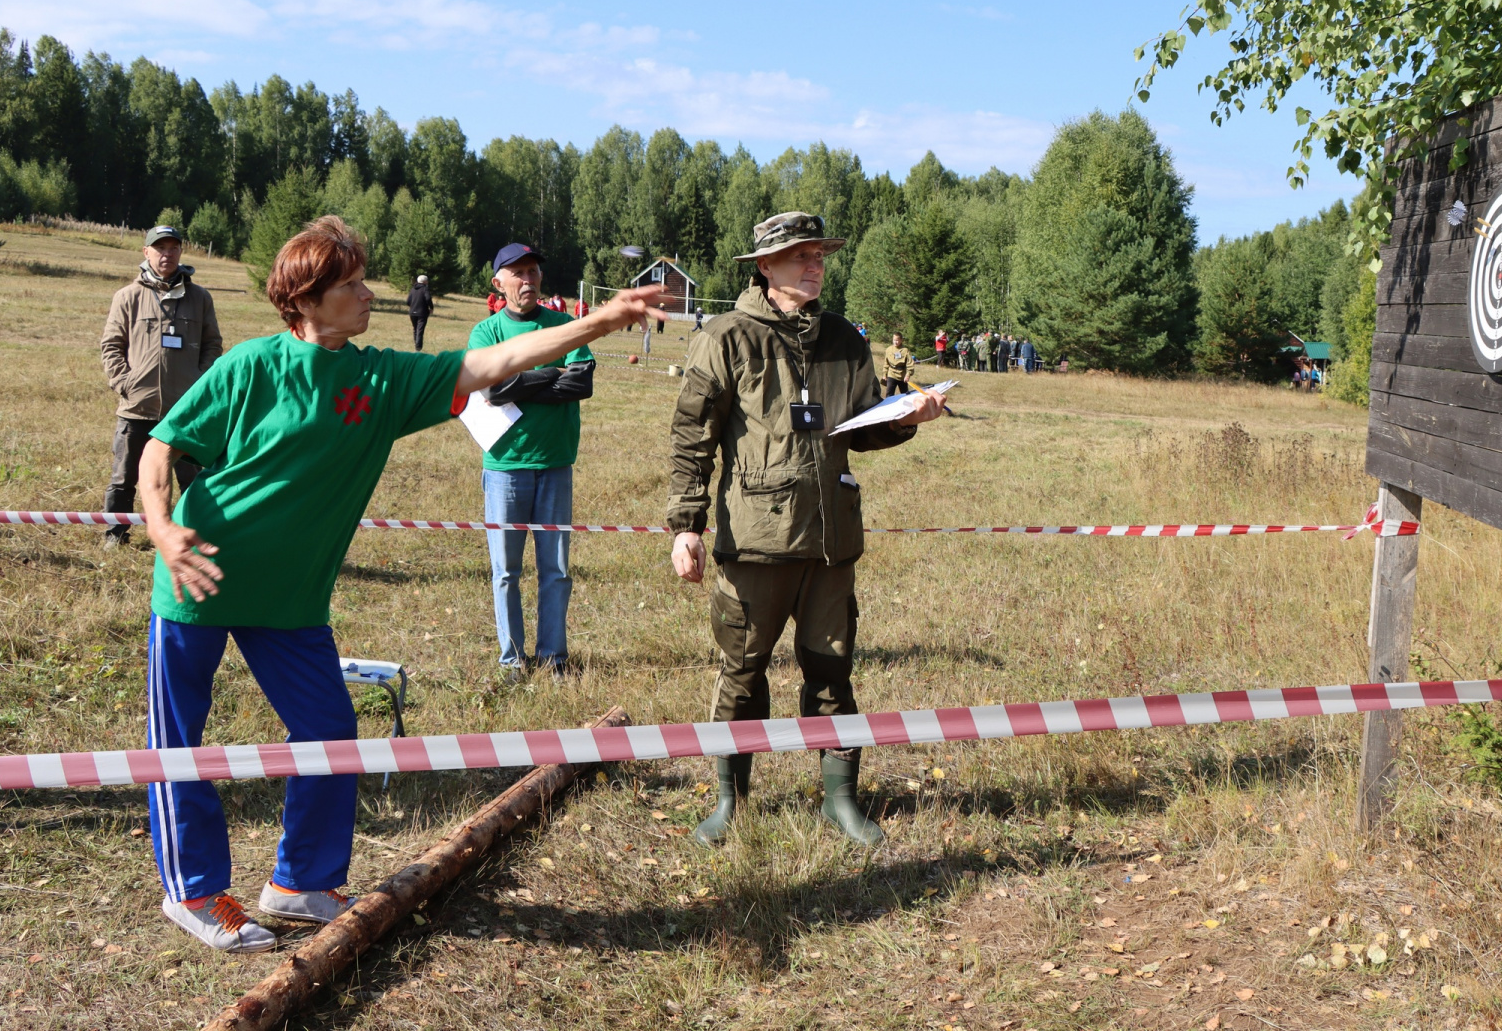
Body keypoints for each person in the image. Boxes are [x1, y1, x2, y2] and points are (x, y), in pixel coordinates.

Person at [138, 215, 661, 954]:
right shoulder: (250, 367)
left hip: (290, 601)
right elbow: (161, 448)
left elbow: (496, 363)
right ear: (307, 299)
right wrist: (161, 527)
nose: (368, 294)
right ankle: (192, 892)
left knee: (329, 734)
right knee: (180, 747)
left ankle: (301, 881)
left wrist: (599, 323)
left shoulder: (381, 378)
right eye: (349, 285)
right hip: (200, 579)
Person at [669, 212, 947, 848]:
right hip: (755, 543)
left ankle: (840, 799)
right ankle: (729, 801)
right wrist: (685, 525)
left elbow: (861, 428)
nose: (816, 265)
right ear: (766, 267)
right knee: (743, 672)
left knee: (832, 670)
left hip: (830, 542)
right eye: (801, 256)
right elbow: (692, 436)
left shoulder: (846, 340)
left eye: (820, 254)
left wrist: (909, 417)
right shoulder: (726, 336)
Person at [468, 243, 598, 678]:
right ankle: (511, 661)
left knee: (556, 569)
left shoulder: (566, 326)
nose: (528, 279)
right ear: (498, 283)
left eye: (533, 271)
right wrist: (552, 373)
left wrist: (520, 380)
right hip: (504, 466)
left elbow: (580, 385)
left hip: (556, 463)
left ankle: (553, 657)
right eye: (518, 273)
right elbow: (491, 390)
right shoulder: (486, 333)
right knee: (506, 571)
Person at [100, 225, 223, 549]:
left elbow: (212, 344)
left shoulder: (199, 298)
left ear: (180, 252)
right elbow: (111, 345)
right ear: (146, 252)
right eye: (159, 248)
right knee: (124, 478)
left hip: (184, 410)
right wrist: (124, 382)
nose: (166, 254)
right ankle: (116, 534)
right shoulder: (127, 297)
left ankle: (196, 533)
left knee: (193, 479)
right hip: (137, 407)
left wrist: (200, 383)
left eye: (172, 248)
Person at [406, 274, 434, 351]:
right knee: (420, 329)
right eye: (427, 281)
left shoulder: (413, 289)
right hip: (422, 312)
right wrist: (431, 307)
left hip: (412, 312)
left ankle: (416, 345)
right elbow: (428, 298)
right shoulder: (425, 289)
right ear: (425, 282)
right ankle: (418, 347)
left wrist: (413, 306)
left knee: (415, 329)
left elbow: (408, 301)